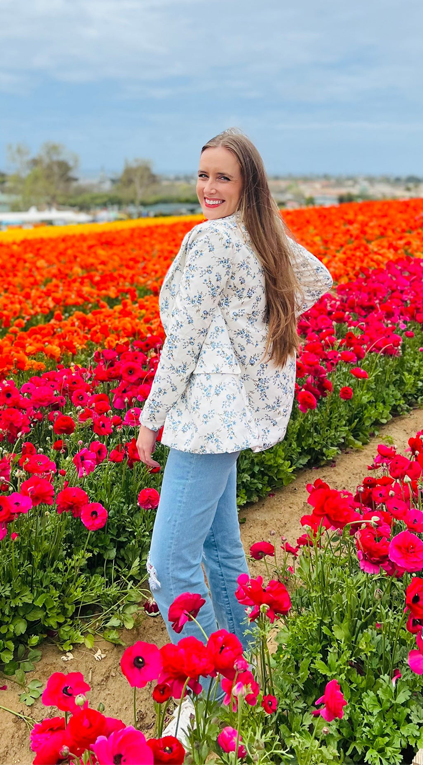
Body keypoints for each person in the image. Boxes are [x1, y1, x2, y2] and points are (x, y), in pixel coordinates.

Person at [136, 127, 334, 743]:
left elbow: (183, 342)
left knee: (168, 566)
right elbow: (316, 277)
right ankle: (242, 674)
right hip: (232, 417)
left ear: (247, 183)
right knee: (220, 554)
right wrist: (248, 333)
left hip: (202, 424)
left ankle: (209, 689)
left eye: (223, 177)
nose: (208, 188)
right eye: (203, 175)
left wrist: (151, 417)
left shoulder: (214, 243)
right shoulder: (258, 236)